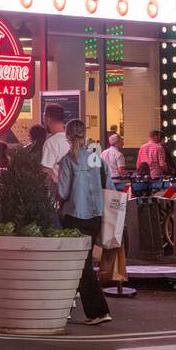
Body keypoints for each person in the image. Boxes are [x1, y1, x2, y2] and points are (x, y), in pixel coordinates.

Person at [56, 119, 112, 326]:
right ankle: (89, 309)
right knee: (83, 262)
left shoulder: (68, 160)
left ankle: (98, 310)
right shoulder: (96, 158)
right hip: (96, 214)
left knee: (80, 264)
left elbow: (63, 192)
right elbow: (110, 183)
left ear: (68, 135)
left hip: (75, 215)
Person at [38, 104, 70, 183]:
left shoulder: (51, 143)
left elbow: (46, 170)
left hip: (60, 190)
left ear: (48, 119)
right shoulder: (73, 139)